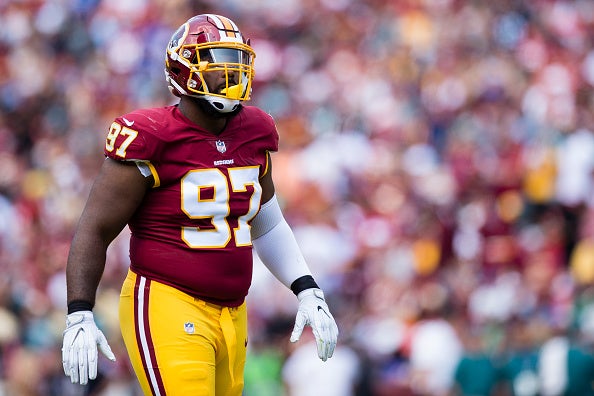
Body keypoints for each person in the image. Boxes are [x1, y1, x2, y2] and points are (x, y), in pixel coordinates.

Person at [61, 13, 338, 396]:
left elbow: (267, 222)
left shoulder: (255, 130)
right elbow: (95, 228)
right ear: (184, 68)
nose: (232, 72)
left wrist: (306, 288)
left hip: (233, 312)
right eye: (217, 60)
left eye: (237, 60)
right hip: (167, 301)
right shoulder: (151, 136)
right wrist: (79, 311)